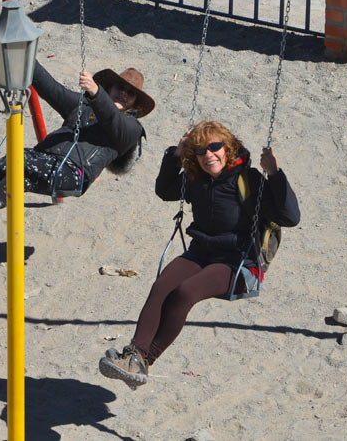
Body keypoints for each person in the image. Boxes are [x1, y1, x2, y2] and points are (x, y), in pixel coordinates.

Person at [98, 120, 299, 388]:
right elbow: (165, 190)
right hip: (200, 254)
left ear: (227, 148)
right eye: (200, 151)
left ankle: (146, 359)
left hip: (239, 263)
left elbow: (290, 217)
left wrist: (274, 173)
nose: (208, 155)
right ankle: (135, 355)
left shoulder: (249, 180)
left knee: (185, 292)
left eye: (215, 147)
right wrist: (175, 155)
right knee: (161, 286)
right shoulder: (196, 179)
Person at [0, 61, 153, 232]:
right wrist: (24, 51)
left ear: (135, 103)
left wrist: (96, 93)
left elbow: (113, 121)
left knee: (23, 161)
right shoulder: (83, 106)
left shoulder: (131, 129)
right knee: (9, 169)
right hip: (46, 161)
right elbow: (51, 88)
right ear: (111, 87)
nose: (123, 93)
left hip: (73, 172)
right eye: (119, 88)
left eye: (130, 93)